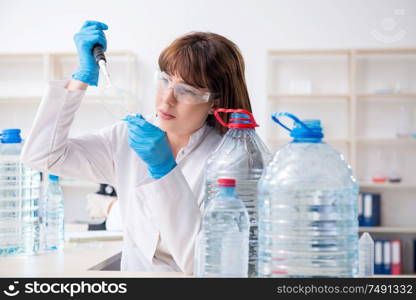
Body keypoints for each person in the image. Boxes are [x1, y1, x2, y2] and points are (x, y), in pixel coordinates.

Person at [21, 20, 253, 274]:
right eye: (164, 80)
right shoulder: (126, 138)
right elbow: (41, 155)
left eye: (186, 90)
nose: (167, 98)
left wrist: (165, 172)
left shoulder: (230, 159)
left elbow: (203, 265)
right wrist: (79, 79)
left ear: (214, 103)